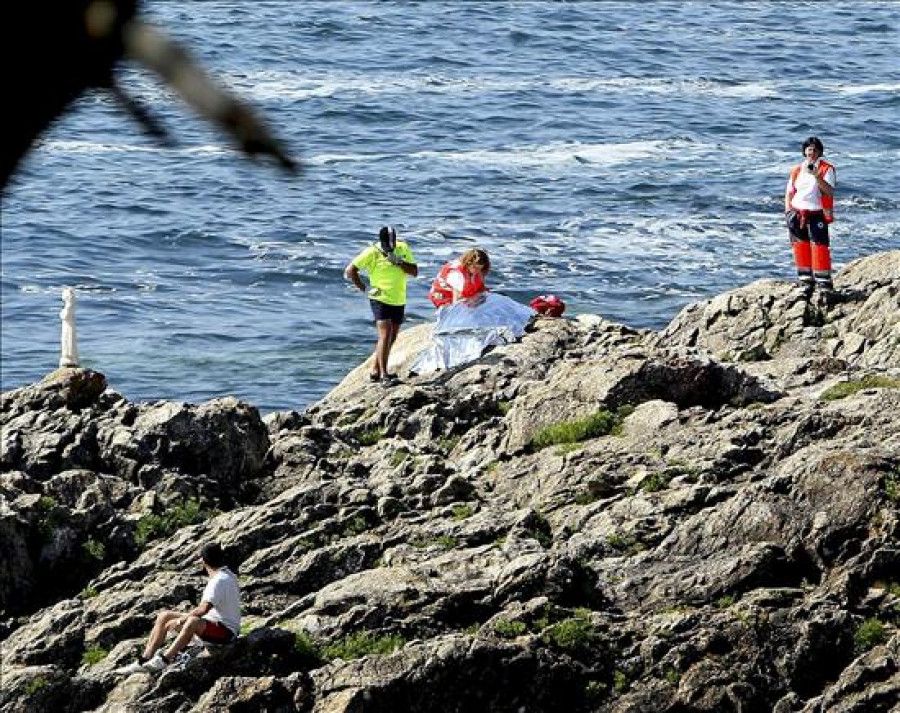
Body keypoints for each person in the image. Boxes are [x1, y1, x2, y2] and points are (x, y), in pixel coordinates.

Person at [117, 542, 241, 674]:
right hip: (213, 625)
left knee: (192, 621)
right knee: (164, 616)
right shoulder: (227, 574)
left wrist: (183, 620)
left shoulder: (218, 581)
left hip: (226, 633)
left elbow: (203, 609)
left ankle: (164, 660)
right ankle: (144, 660)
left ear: (204, 561)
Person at [344, 226, 418, 384]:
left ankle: (375, 370)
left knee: (393, 336)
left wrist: (399, 262)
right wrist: (365, 288)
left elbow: (414, 271)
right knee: (385, 334)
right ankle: (384, 375)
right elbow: (351, 270)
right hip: (379, 297)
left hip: (398, 298)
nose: (389, 248)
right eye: (387, 246)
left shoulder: (403, 247)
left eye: (392, 246)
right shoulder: (372, 252)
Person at [784, 136, 837, 294]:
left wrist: (816, 175)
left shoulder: (826, 169)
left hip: (817, 212)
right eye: (809, 150)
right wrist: (788, 211)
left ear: (820, 152)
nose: (811, 153)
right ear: (804, 152)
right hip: (797, 211)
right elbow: (789, 192)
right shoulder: (797, 170)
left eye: (815, 150)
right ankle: (805, 278)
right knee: (800, 245)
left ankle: (823, 281)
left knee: (820, 245)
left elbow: (829, 191)